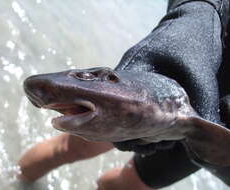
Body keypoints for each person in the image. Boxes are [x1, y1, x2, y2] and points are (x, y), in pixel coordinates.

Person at [18, 0, 230, 189]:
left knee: (124, 186)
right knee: (67, 148)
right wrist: (200, 9)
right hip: (189, 58)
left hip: (221, 133)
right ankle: (15, 184)